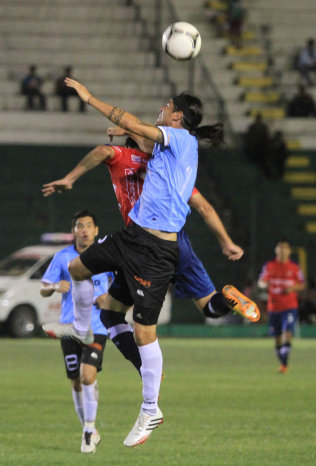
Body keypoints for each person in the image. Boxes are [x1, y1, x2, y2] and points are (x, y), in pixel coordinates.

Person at [42, 77, 260, 447]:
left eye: (165, 106)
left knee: (144, 332)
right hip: (134, 238)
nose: (159, 110)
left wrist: (90, 98)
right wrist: (125, 131)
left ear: (176, 116)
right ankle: (81, 328)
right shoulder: (170, 152)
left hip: (154, 249)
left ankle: (150, 406)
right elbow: (141, 139)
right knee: (84, 277)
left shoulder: (178, 139)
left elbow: (136, 126)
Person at [40, 209, 114, 453]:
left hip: (97, 327)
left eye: (88, 225)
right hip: (69, 328)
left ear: (96, 230)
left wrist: (109, 298)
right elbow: (43, 288)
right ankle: (89, 428)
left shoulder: (106, 257)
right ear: (74, 231)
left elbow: (125, 284)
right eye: (79, 225)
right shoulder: (63, 258)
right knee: (75, 382)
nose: (84, 230)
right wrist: (54, 285)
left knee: (87, 376)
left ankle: (87, 431)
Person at [258, 240, 305, 373]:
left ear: (289, 251)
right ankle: (282, 361)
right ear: (276, 250)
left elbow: (302, 284)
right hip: (273, 307)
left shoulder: (294, 267)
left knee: (287, 333)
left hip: (290, 306)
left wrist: (292, 288)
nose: (283, 250)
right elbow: (261, 281)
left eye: (285, 248)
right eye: (280, 248)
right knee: (278, 338)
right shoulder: (270, 265)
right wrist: (264, 285)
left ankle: (284, 364)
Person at [244, 113, 270, 177]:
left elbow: (266, 137)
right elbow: (249, 137)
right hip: (254, 148)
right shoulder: (252, 127)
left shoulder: (264, 127)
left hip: (262, 148)